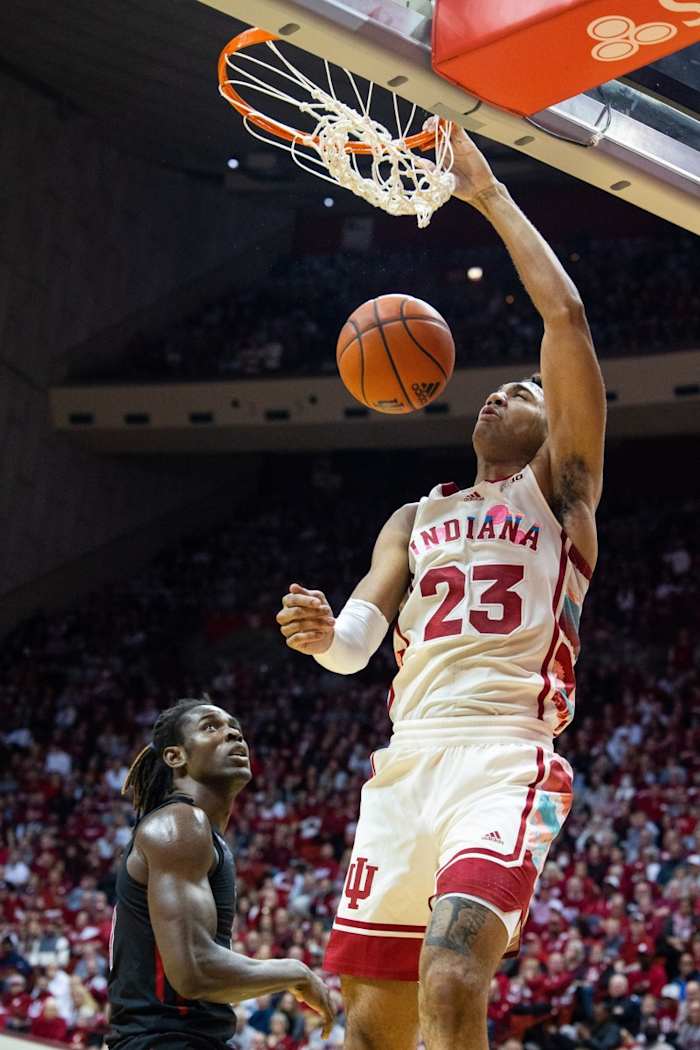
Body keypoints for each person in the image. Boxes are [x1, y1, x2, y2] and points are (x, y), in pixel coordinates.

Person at [276, 126, 606, 1050]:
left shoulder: (564, 492)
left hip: (504, 756)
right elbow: (354, 645)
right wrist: (320, 637)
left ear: (554, 429)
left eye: (523, 393)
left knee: (455, 976)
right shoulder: (413, 519)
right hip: (406, 760)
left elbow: (566, 323)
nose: (503, 397)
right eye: (496, 390)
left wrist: (490, 195)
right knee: (372, 1028)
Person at [108, 696, 334, 1050]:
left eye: (236, 729)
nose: (233, 735)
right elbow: (195, 971)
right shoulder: (180, 824)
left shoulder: (197, 832)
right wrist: (296, 972)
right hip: (166, 1042)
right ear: (175, 756)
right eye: (211, 727)